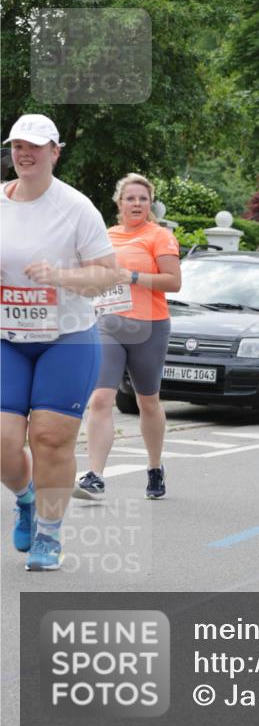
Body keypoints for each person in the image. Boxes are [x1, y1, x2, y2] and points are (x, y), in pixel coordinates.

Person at [1, 114, 117, 571]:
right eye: (17, 146)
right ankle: (26, 498)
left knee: (50, 438)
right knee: (4, 443)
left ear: (55, 151)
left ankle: (49, 536)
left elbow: (106, 274)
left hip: (65, 339)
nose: (24, 154)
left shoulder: (76, 207)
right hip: (8, 337)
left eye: (35, 146)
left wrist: (60, 276)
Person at [75, 174, 181, 500]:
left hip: (149, 327)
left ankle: (154, 465)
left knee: (147, 401)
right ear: (119, 203)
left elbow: (173, 282)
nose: (136, 204)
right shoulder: (106, 236)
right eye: (130, 198)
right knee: (100, 399)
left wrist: (132, 275)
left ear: (150, 204)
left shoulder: (159, 236)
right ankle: (95, 475)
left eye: (142, 199)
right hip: (109, 324)